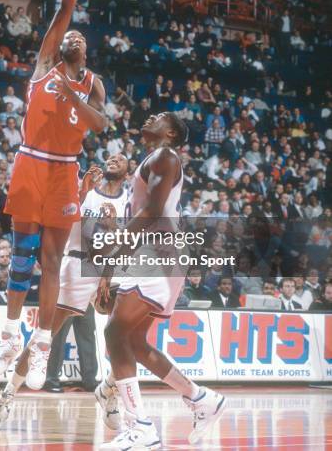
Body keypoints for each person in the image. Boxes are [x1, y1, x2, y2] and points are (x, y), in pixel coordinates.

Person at [0, 0, 106, 390]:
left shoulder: (92, 82)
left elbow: (101, 123)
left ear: (87, 49)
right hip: (31, 161)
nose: (72, 35)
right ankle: (9, 337)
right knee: (22, 256)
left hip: (64, 171)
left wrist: (77, 100)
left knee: (53, 262)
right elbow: (64, 9)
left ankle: (40, 346)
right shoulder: (44, 63)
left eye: (79, 36)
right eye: (67, 35)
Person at [98, 113, 225, 449]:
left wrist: (115, 253)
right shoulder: (153, 159)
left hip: (158, 251)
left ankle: (141, 427)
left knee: (114, 331)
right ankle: (200, 398)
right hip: (157, 253)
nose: (149, 116)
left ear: (170, 132)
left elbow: (153, 211)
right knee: (135, 342)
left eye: (158, 117)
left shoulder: (165, 156)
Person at [0, 154, 129, 429]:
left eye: (121, 159)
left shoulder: (127, 201)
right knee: (43, 339)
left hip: (108, 272)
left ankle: (109, 392)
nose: (114, 159)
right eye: (111, 157)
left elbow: (122, 245)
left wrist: (108, 273)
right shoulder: (85, 190)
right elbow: (81, 234)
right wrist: (101, 222)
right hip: (76, 265)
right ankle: (5, 398)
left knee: (129, 332)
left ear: (127, 172)